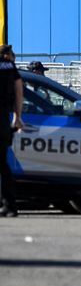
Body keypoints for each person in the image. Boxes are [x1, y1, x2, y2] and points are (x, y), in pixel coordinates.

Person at [0, 45, 24, 217]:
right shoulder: (9, 67)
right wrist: (17, 116)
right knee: (2, 163)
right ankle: (9, 205)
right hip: (2, 118)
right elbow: (19, 92)